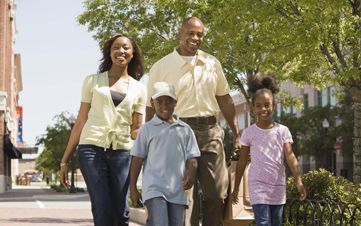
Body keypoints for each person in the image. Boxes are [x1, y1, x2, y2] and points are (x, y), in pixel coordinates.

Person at [145, 17, 241, 226]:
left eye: (199, 34)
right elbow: (151, 106)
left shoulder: (212, 63)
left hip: (210, 131)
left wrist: (237, 133)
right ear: (180, 33)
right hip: (176, 131)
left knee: (216, 192)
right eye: (190, 33)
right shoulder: (161, 66)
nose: (195, 38)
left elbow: (224, 98)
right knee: (185, 195)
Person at [60, 34, 146, 226]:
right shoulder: (92, 81)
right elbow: (81, 121)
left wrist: (147, 145)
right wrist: (65, 160)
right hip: (91, 148)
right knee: (103, 209)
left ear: (132, 54)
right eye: (116, 47)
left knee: (122, 212)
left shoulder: (139, 89)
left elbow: (137, 129)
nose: (121, 51)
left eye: (126, 48)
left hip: (123, 152)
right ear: (109, 52)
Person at [231, 74, 307, 226]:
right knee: (264, 222)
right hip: (257, 185)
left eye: (267, 105)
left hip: (277, 185)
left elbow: (290, 157)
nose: (263, 109)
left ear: (273, 105)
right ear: (253, 108)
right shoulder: (249, 133)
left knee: (276, 222)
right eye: (258, 106)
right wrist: (236, 187)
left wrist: (298, 181)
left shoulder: (282, 131)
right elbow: (242, 161)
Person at [130, 81, 201, 226]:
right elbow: (137, 159)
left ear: (175, 102)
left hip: (178, 190)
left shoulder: (185, 129)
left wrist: (191, 174)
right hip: (154, 188)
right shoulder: (147, 129)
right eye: (159, 101)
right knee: (160, 222)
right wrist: (133, 188)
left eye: (169, 101)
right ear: (152, 102)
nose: (164, 105)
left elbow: (193, 158)